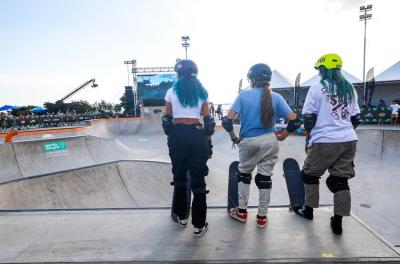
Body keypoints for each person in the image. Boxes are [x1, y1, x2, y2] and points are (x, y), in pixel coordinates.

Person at [222, 63, 300, 228]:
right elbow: (294, 120)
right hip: (270, 141)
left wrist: (234, 138)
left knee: (244, 176)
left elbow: (227, 121)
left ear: (253, 79)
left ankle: (242, 212)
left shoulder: (243, 96)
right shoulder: (276, 97)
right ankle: (262, 217)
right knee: (265, 178)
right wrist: (281, 136)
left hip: (248, 142)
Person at [297, 53, 360, 235]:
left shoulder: (316, 88)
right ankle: (338, 222)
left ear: (323, 70)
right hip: (349, 140)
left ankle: (308, 211)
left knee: (309, 175)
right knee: (340, 180)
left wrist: (309, 140)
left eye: (319, 70)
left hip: (324, 141)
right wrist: (344, 130)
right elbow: (356, 118)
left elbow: (309, 118)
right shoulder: (349, 89)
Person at [162, 59, 215, 237]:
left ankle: (182, 216)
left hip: (178, 135)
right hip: (196, 134)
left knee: (179, 178)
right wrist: (208, 143)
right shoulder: (202, 92)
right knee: (199, 182)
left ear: (178, 74)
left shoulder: (171, 91)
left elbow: (166, 119)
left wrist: (174, 138)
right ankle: (199, 225)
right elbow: (208, 122)